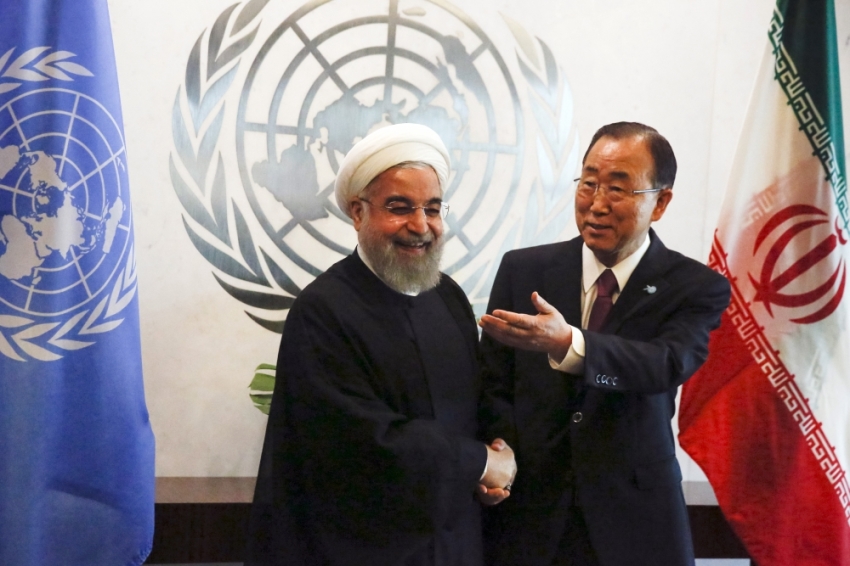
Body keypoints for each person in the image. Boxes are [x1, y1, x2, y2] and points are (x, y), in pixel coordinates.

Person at [246, 123, 516, 566]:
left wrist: (496, 466)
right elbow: (362, 442)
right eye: (399, 207)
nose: (420, 225)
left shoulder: (447, 296)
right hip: (363, 547)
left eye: (432, 208)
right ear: (358, 213)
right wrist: (478, 463)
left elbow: (477, 402)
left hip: (454, 544)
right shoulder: (323, 311)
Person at [478, 122, 731, 566]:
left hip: (634, 521)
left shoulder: (694, 286)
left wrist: (571, 344)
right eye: (589, 183)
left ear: (660, 202)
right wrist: (498, 452)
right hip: (529, 516)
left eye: (618, 189)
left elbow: (666, 363)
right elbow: (493, 383)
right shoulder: (524, 270)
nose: (596, 204)